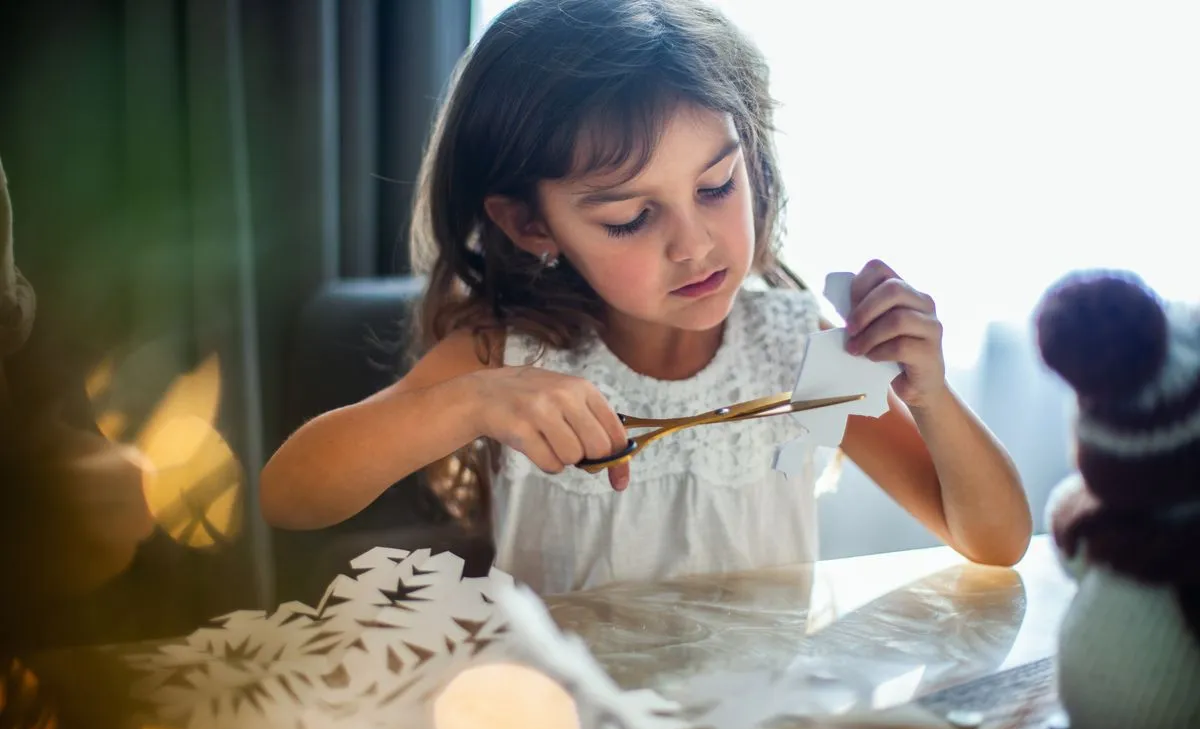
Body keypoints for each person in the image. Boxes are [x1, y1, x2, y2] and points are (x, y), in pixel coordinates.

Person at [260, 0, 1032, 594]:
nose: (693, 243)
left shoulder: (801, 349)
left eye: (717, 185)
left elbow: (994, 542)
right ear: (532, 224)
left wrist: (930, 397)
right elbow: (289, 497)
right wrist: (468, 403)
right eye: (630, 217)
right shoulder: (508, 356)